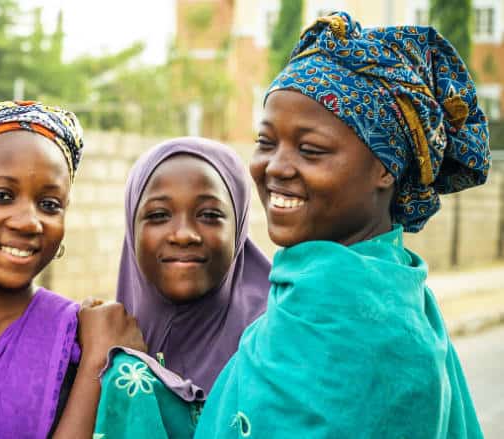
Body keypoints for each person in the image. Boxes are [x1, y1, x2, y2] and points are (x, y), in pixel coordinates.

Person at [194, 12, 487, 438]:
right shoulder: (339, 294)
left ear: (386, 168)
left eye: (310, 150)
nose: (276, 166)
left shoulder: (373, 336)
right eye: (265, 142)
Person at [0, 101, 145, 438]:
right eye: (2, 196)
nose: (29, 222)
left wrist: (96, 363)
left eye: (49, 205)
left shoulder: (83, 341)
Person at [93, 137, 271, 438]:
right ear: (131, 227)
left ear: (239, 228)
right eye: (159, 215)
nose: (184, 235)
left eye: (209, 215)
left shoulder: (275, 345)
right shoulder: (99, 346)